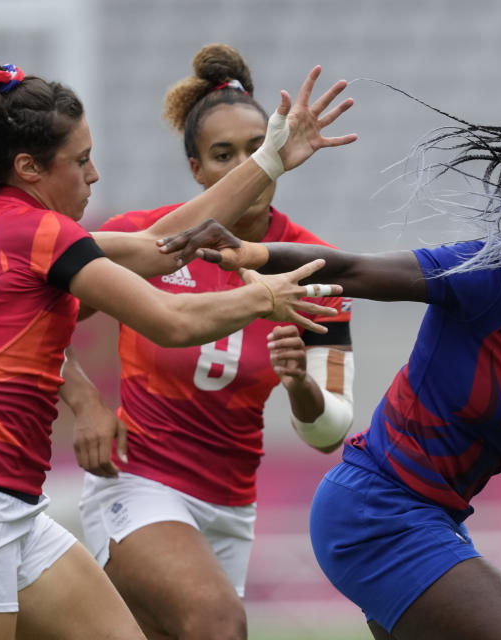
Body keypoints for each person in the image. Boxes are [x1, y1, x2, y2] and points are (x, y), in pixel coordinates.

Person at [163, 110, 501, 640]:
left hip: (434, 520)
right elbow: (355, 269)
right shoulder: (491, 274)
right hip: (374, 510)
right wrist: (250, 251)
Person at [0, 52, 354, 640]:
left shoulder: (10, 224)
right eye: (82, 160)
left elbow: (157, 248)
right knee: (216, 624)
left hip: (12, 508)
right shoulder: (30, 232)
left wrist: (272, 159)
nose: (94, 176)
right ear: (29, 167)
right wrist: (261, 299)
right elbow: (169, 318)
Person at [71, 43, 355, 640]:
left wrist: (300, 384)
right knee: (218, 624)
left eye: (257, 149)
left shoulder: (315, 267)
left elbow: (329, 430)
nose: (244, 165)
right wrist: (86, 403)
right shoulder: (144, 241)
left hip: (230, 503)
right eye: (222, 155)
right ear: (197, 170)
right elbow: (28, 315)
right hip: (139, 481)